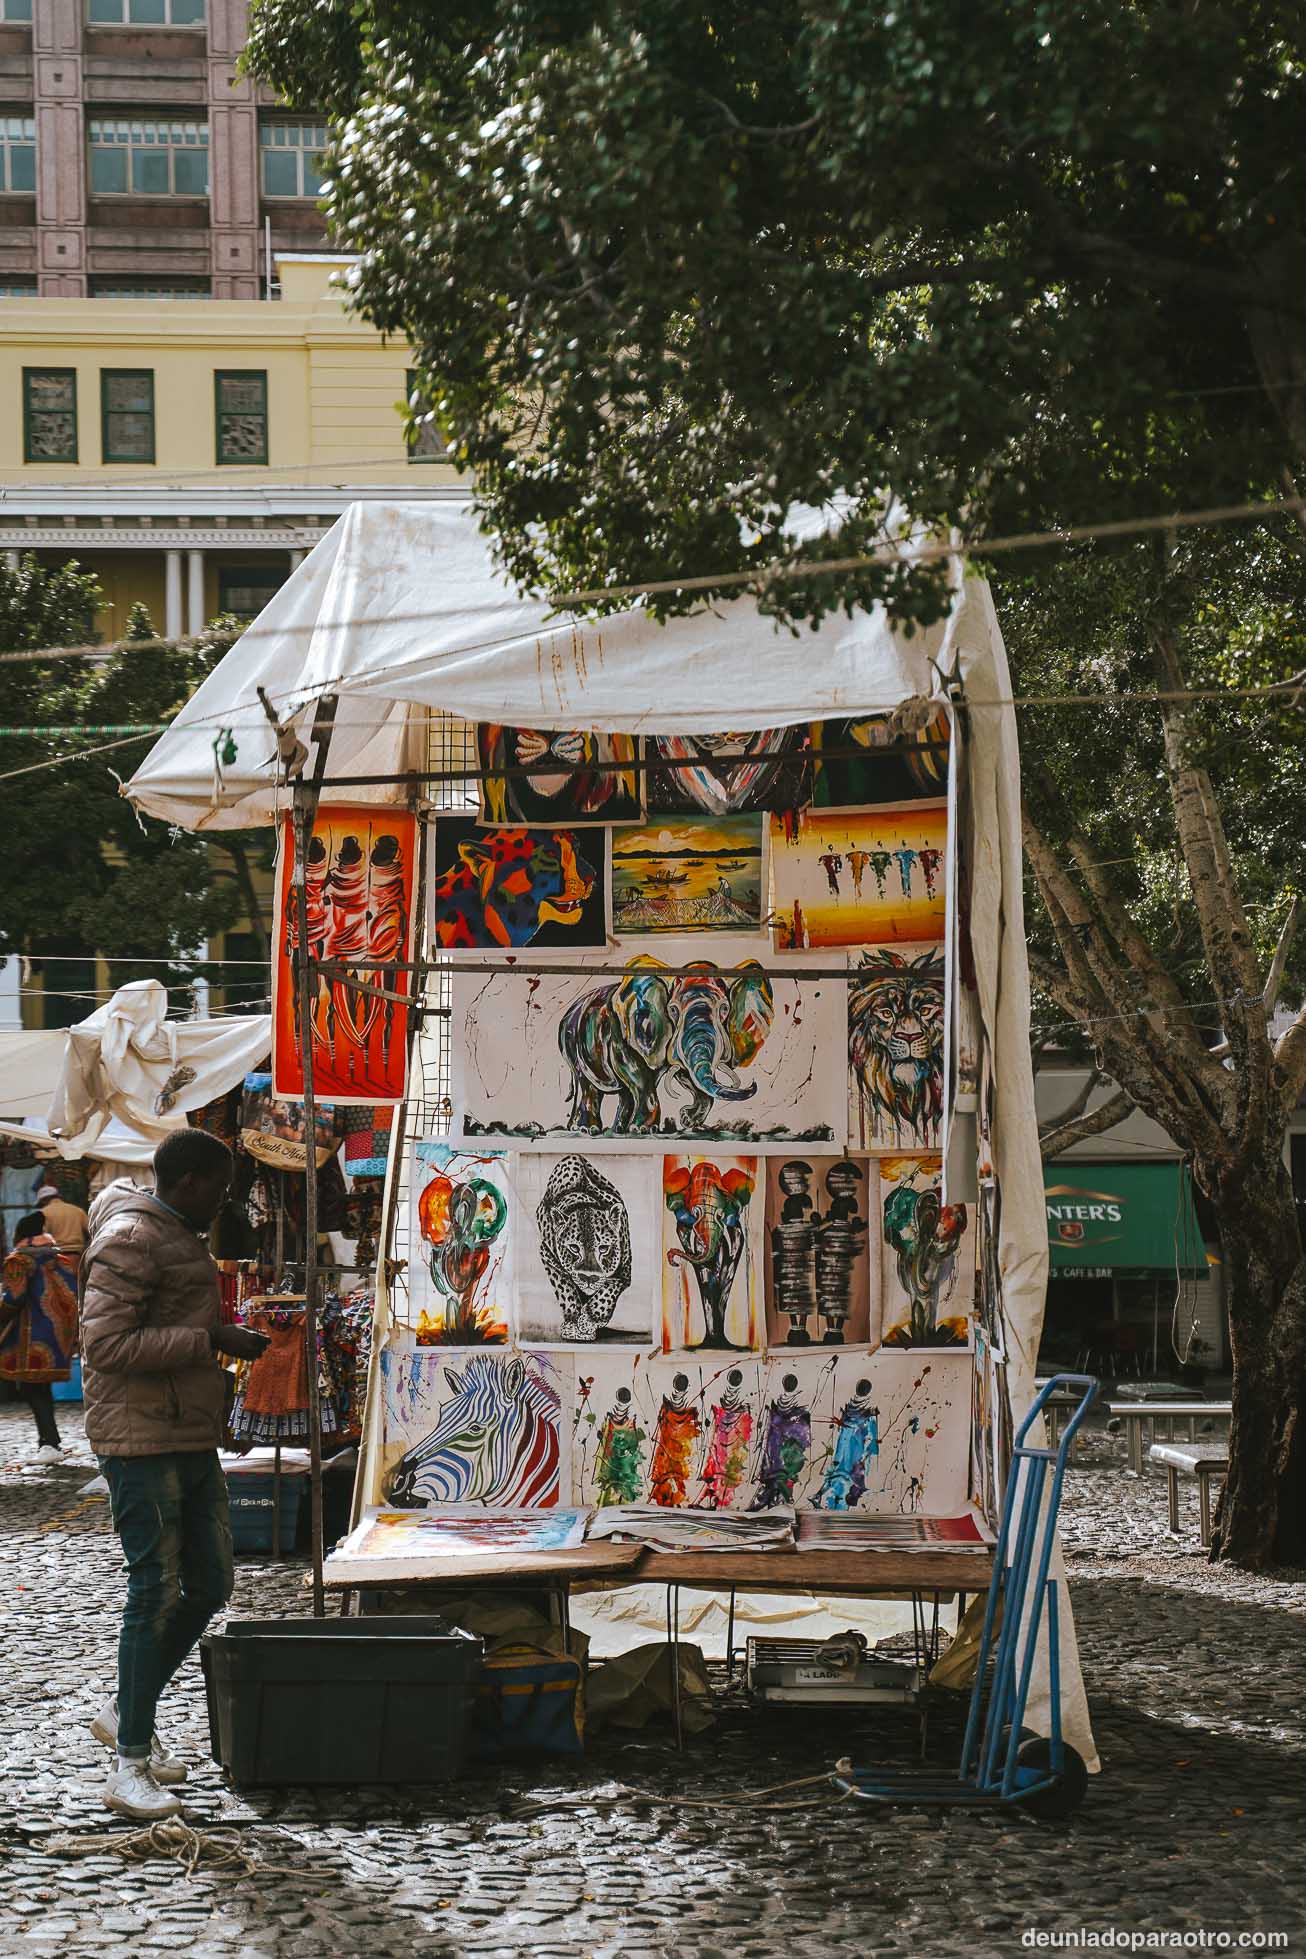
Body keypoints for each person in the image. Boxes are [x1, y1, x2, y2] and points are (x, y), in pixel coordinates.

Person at [80, 1129, 269, 1822]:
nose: (224, 1201)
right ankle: (129, 1763)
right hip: (139, 1440)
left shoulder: (177, 1230)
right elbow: (101, 1344)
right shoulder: (134, 1236)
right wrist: (211, 1339)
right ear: (189, 1180)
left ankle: (126, 1707)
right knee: (154, 1586)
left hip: (183, 1432)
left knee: (212, 1580)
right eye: (219, 1188)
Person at [0, 1210, 79, 1463]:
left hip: (28, 1335)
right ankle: (49, 1442)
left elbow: (15, 1297)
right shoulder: (59, 1258)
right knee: (40, 1389)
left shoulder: (19, 1260)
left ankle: (49, 1443)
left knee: (35, 1390)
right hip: (56, 1333)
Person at [36, 1179, 90, 1261]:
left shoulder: (43, 1213)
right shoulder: (77, 1210)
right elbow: (92, 1233)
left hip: (56, 1257)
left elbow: (41, 1239)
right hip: (78, 1256)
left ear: (43, 1200)